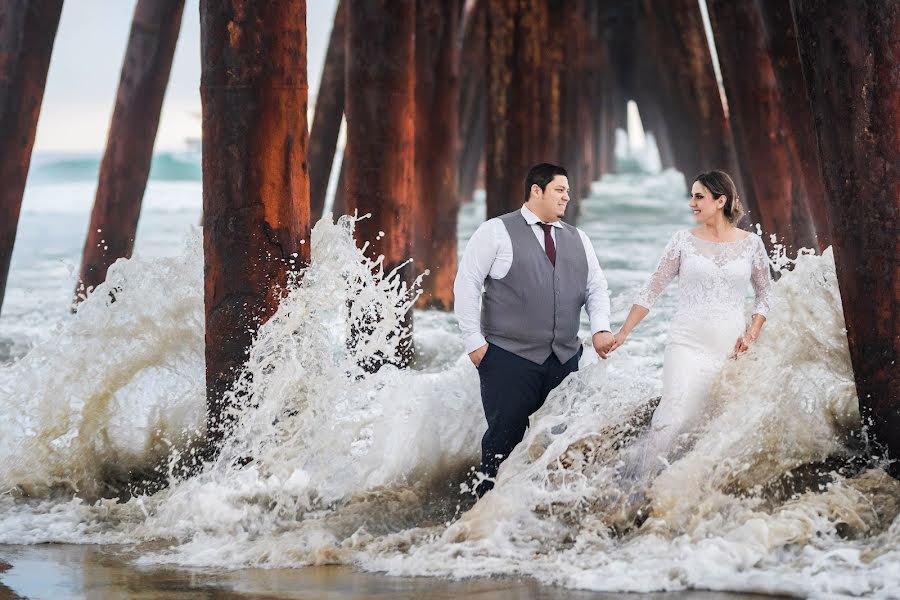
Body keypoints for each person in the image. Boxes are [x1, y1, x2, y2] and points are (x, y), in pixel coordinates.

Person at [453, 163, 614, 497]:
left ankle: (542, 514)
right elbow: (467, 284)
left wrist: (600, 328)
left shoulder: (578, 238)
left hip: (565, 358)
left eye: (568, 191)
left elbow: (596, 287)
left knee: (560, 442)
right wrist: (474, 343)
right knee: (503, 442)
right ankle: (485, 519)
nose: (567, 196)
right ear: (536, 190)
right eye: (560, 190)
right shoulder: (495, 232)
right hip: (508, 359)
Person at [611, 170, 774, 479]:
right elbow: (652, 289)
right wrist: (622, 333)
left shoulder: (751, 244)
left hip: (730, 351)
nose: (692, 203)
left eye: (699, 196)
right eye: (692, 196)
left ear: (720, 200)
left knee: (709, 428)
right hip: (686, 343)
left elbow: (765, 294)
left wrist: (752, 333)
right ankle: (639, 487)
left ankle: (680, 493)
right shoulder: (682, 241)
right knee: (672, 414)